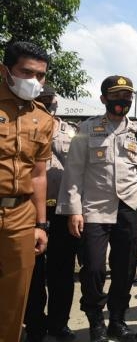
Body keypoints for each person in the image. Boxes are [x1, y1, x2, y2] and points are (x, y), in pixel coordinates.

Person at [57, 75, 137, 342]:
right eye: (115, 96)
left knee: (125, 267)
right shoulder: (86, 130)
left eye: (127, 96)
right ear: (104, 99)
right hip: (93, 208)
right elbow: (73, 172)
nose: (122, 101)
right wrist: (73, 210)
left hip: (128, 205)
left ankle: (117, 320)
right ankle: (95, 322)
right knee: (92, 268)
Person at [0, 41, 53, 342]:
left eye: (41, 75)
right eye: (26, 72)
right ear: (5, 70)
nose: (34, 81)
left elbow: (39, 174)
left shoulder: (43, 118)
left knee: (14, 299)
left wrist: (40, 225)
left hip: (21, 215)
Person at [24, 84, 78, 341]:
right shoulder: (23, 124)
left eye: (50, 98)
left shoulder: (73, 131)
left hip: (62, 209)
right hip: (30, 210)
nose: (47, 102)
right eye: (41, 98)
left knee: (62, 272)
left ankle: (59, 324)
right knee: (32, 272)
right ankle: (34, 325)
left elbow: (81, 171)